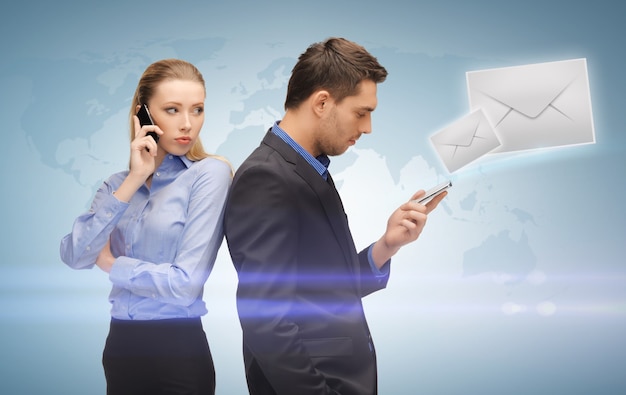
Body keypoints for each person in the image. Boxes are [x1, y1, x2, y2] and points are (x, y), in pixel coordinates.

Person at [223, 37, 447, 395]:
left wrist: (388, 245)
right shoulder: (266, 178)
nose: (369, 127)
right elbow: (266, 320)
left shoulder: (308, 169)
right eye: (362, 112)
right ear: (323, 102)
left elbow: (323, 289)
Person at [60, 59, 232, 395]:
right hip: (121, 346)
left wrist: (112, 264)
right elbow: (77, 255)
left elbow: (185, 285)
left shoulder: (208, 174)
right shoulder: (116, 186)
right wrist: (136, 177)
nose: (187, 124)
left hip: (179, 350)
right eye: (172, 110)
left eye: (197, 110)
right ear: (143, 115)